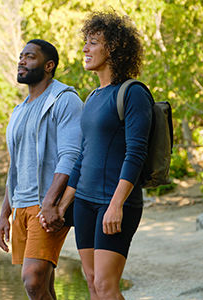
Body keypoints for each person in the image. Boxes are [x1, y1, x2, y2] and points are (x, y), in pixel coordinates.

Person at [41, 11, 152, 300]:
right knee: (91, 281)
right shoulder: (91, 97)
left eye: (93, 43)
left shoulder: (133, 93)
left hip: (114, 203)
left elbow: (136, 153)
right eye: (85, 43)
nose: (85, 49)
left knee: (105, 285)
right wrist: (64, 204)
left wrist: (117, 205)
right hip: (85, 204)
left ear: (112, 48)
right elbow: (82, 157)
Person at [0, 39, 83, 300]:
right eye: (21, 56)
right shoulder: (19, 110)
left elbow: (71, 155)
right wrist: (4, 215)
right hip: (20, 205)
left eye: (29, 57)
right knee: (44, 285)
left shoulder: (65, 100)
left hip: (47, 205)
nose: (21, 61)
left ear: (49, 65)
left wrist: (50, 203)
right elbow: (16, 167)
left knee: (32, 281)